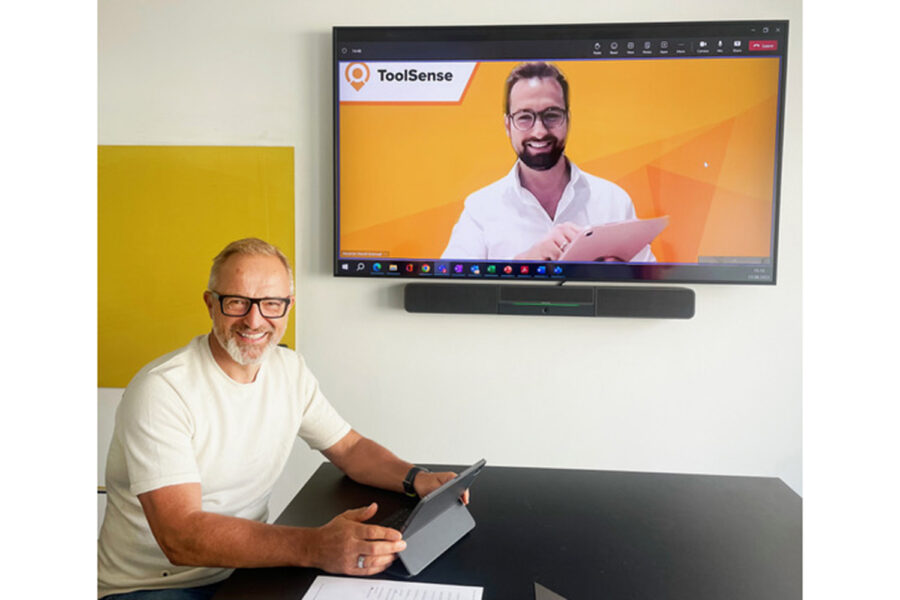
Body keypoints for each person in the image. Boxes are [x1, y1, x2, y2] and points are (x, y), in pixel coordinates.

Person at [98, 238, 467, 599]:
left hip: (247, 570)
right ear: (210, 304)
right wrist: (316, 546)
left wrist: (418, 478)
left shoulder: (289, 370)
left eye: (271, 303)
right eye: (237, 302)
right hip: (154, 586)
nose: (254, 320)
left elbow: (350, 448)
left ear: (288, 307)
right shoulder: (163, 390)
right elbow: (181, 537)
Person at [441, 61, 656, 262]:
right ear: (508, 125)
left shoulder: (614, 201)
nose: (539, 131)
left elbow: (650, 294)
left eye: (551, 115)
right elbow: (447, 292)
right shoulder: (480, 208)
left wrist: (620, 279)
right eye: (524, 117)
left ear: (568, 120)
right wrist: (525, 264)